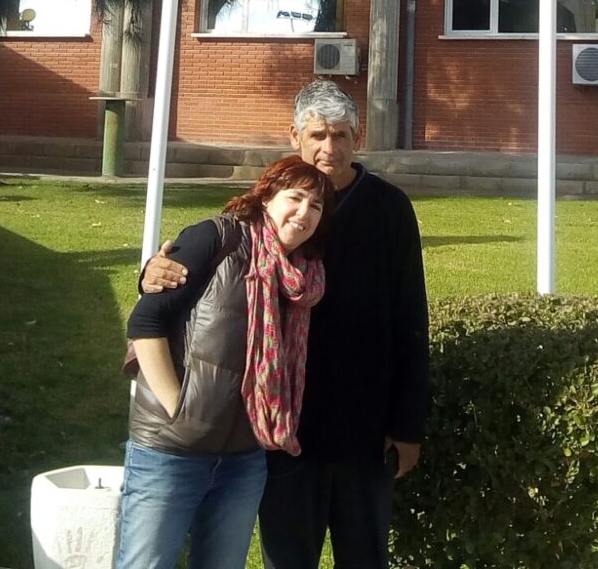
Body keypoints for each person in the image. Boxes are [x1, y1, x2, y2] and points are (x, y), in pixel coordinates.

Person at [142, 80, 429, 569]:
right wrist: (150, 272)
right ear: (294, 136)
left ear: (357, 139)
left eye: (340, 135)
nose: (328, 148)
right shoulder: (273, 212)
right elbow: (202, 266)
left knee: (365, 558)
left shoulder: (390, 208)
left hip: (366, 431)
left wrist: (407, 425)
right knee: (289, 558)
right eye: (317, 134)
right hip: (284, 431)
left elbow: (411, 319)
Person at [116, 155, 334, 569]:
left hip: (244, 460)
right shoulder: (218, 238)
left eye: (317, 206)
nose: (304, 212)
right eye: (296, 197)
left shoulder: (305, 279)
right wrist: (177, 408)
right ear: (266, 197)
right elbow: (146, 322)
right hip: (171, 450)